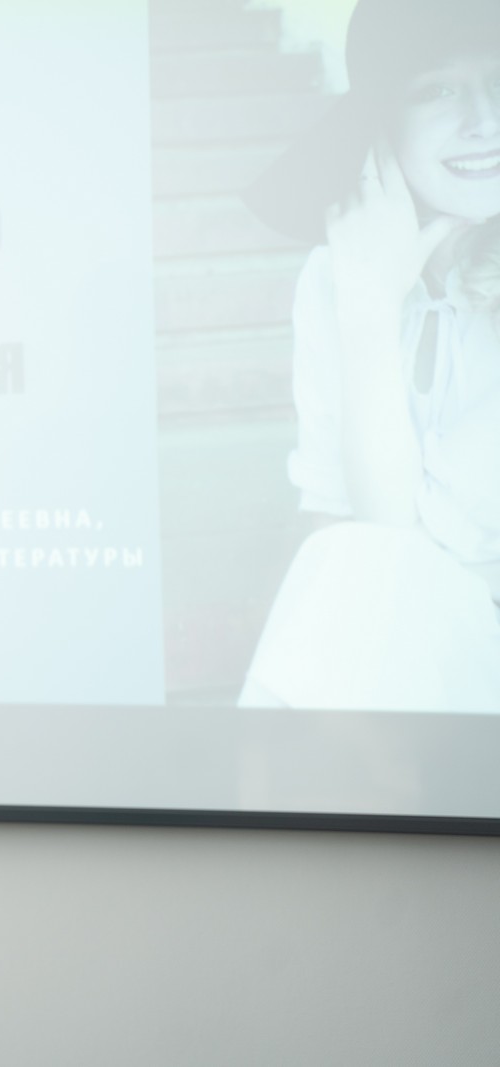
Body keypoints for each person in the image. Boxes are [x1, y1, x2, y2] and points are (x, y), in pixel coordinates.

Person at [241, 0, 500, 711]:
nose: (484, 119)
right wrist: (368, 304)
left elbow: (388, 550)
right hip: (410, 675)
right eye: (438, 89)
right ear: (381, 127)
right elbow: (340, 528)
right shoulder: (338, 275)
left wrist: (366, 315)